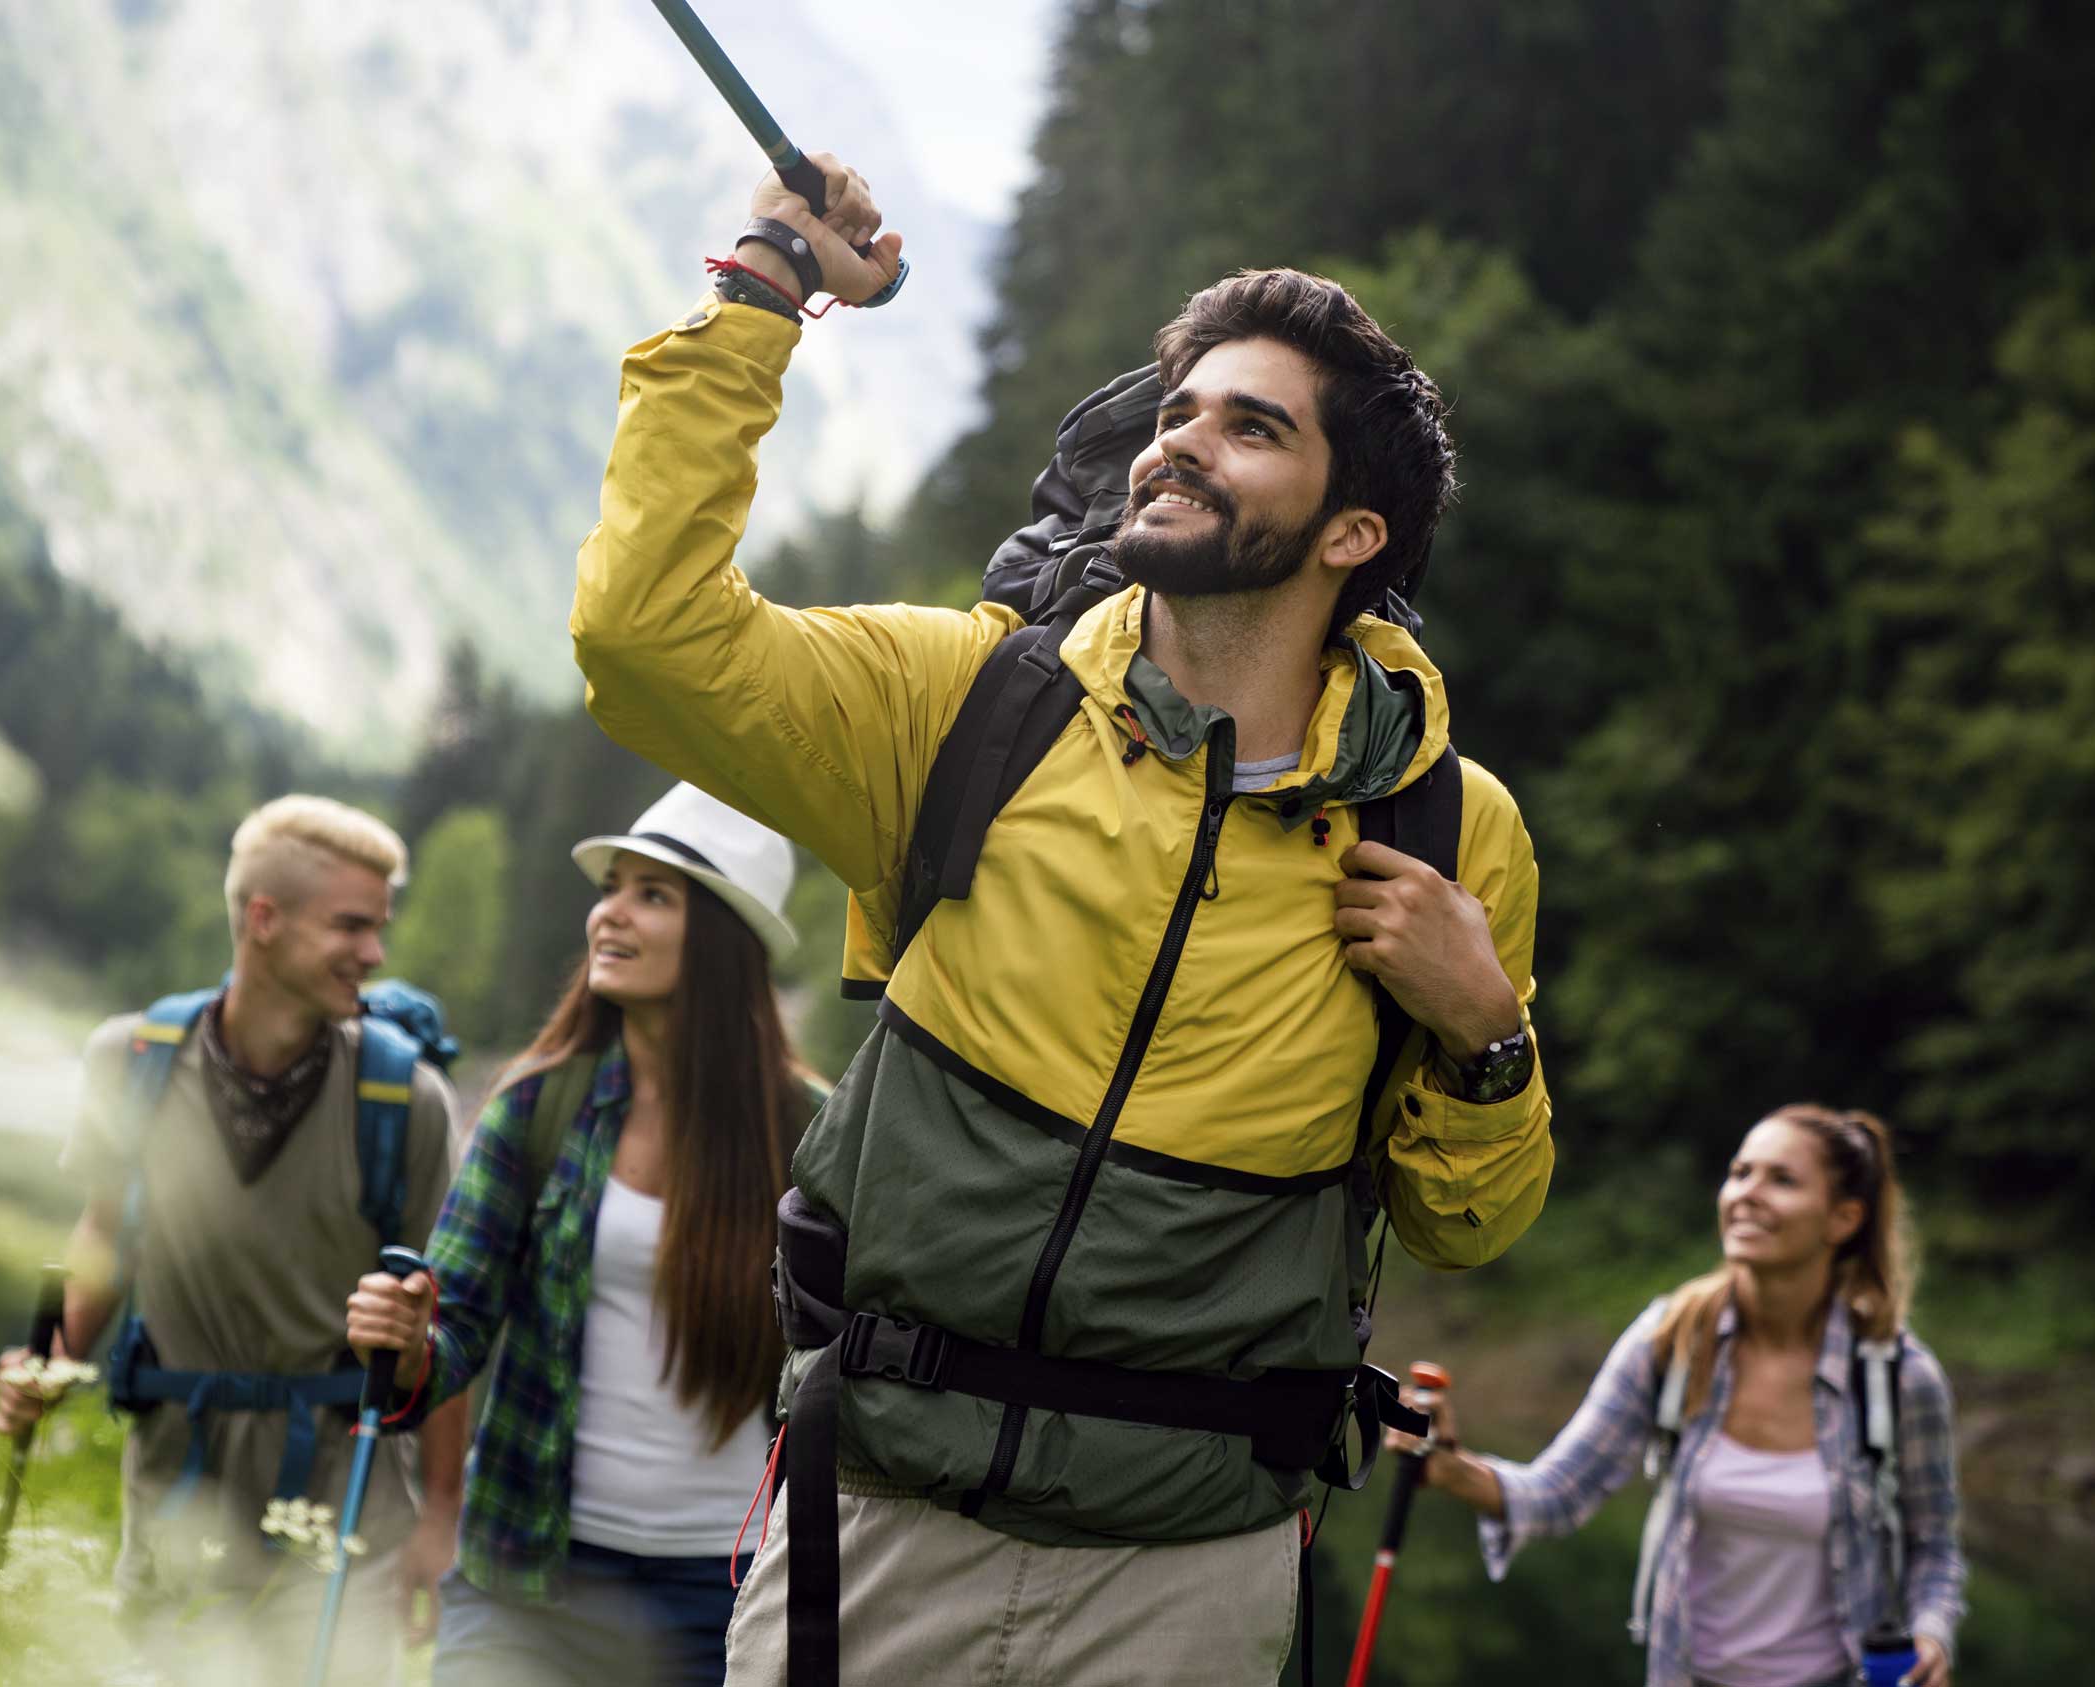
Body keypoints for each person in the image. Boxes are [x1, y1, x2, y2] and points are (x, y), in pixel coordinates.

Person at [562, 155, 1555, 1684]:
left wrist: (1488, 1030)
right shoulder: (963, 703)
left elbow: (1465, 1221)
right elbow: (645, 637)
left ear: (1354, 532)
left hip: (1196, 1566)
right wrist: (767, 282)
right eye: (1179, 410)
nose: (1182, 442)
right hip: (881, 1515)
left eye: (1251, 425)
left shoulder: (1448, 829)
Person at [344, 782, 825, 1687]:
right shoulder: (536, 1104)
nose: (609, 912)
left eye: (653, 894)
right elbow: (455, 1321)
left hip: (724, 1587)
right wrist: (408, 1340)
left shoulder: (812, 1134)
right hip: (526, 1575)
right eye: (613, 886)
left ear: (723, 938)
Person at [0, 794, 470, 1685]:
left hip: (346, 1511)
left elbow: (434, 1321)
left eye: (379, 928)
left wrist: (440, 1514)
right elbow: (106, 1232)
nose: (375, 954)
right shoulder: (131, 1062)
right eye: (353, 926)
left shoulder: (406, 1102)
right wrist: (47, 1363)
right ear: (263, 918)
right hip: (176, 1490)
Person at [1401, 1106, 1966, 1687]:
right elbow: (1558, 1493)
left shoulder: (1898, 1377)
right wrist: (1447, 1466)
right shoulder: (1669, 1341)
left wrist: (1931, 1633)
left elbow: (1934, 1546)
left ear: (1843, 1218)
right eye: (1740, 1172)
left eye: (1782, 1180)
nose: (1746, 1194)